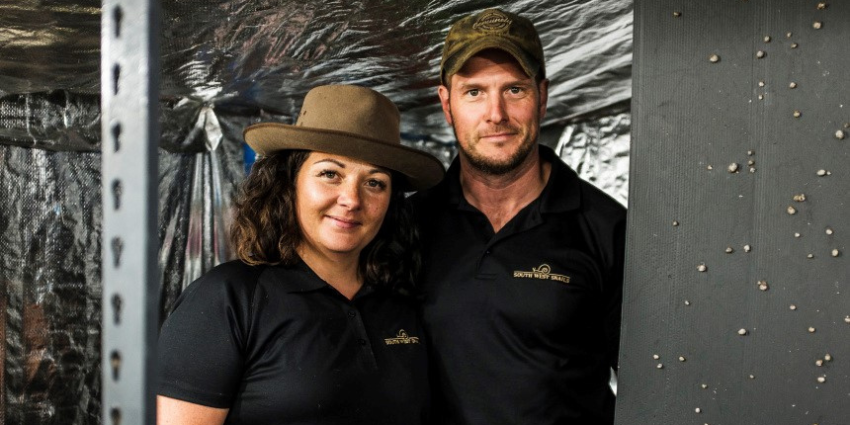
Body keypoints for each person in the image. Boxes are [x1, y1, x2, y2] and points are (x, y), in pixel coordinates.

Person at [156, 84, 445, 425]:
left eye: (374, 182)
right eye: (330, 174)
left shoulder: (400, 302)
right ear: (289, 182)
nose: (352, 199)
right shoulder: (227, 299)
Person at [412, 9, 626, 425]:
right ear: (446, 104)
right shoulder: (409, 224)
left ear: (542, 97)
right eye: (474, 92)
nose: (496, 114)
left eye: (513, 90)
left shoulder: (606, 228)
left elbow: (655, 387)